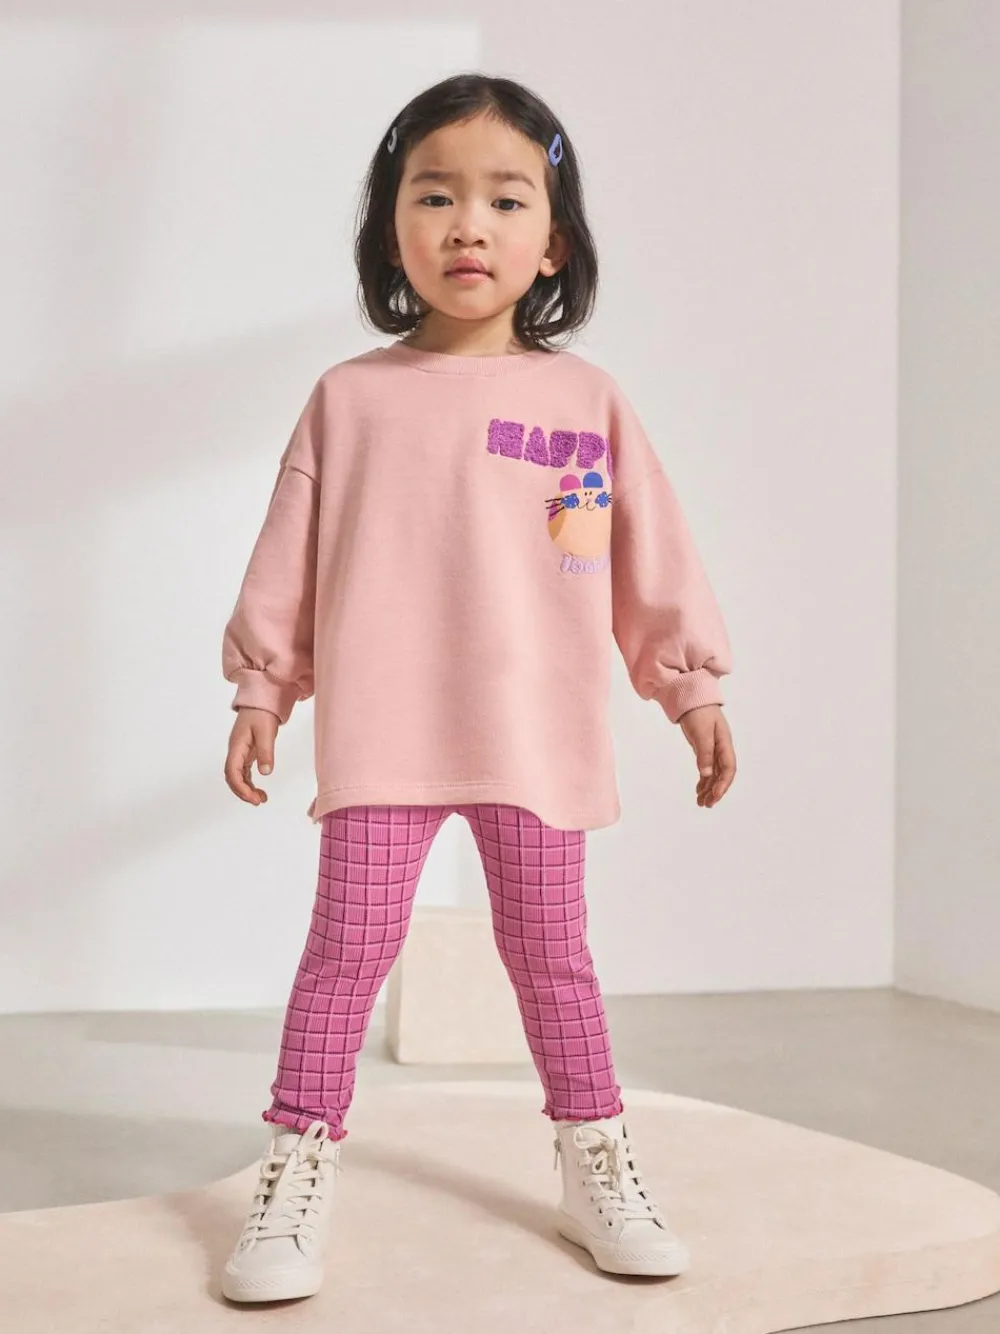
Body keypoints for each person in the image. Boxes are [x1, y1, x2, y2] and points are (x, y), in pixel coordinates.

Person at [218, 72, 737, 1303]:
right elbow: (288, 559)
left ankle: (593, 1156)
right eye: (433, 195)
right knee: (346, 949)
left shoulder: (583, 402)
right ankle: (296, 1160)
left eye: (506, 200)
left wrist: (689, 685)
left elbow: (637, 557)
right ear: (390, 229)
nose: (468, 225)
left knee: (551, 952)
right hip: (385, 732)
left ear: (552, 242)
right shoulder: (350, 399)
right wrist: (262, 688)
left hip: (532, 734)